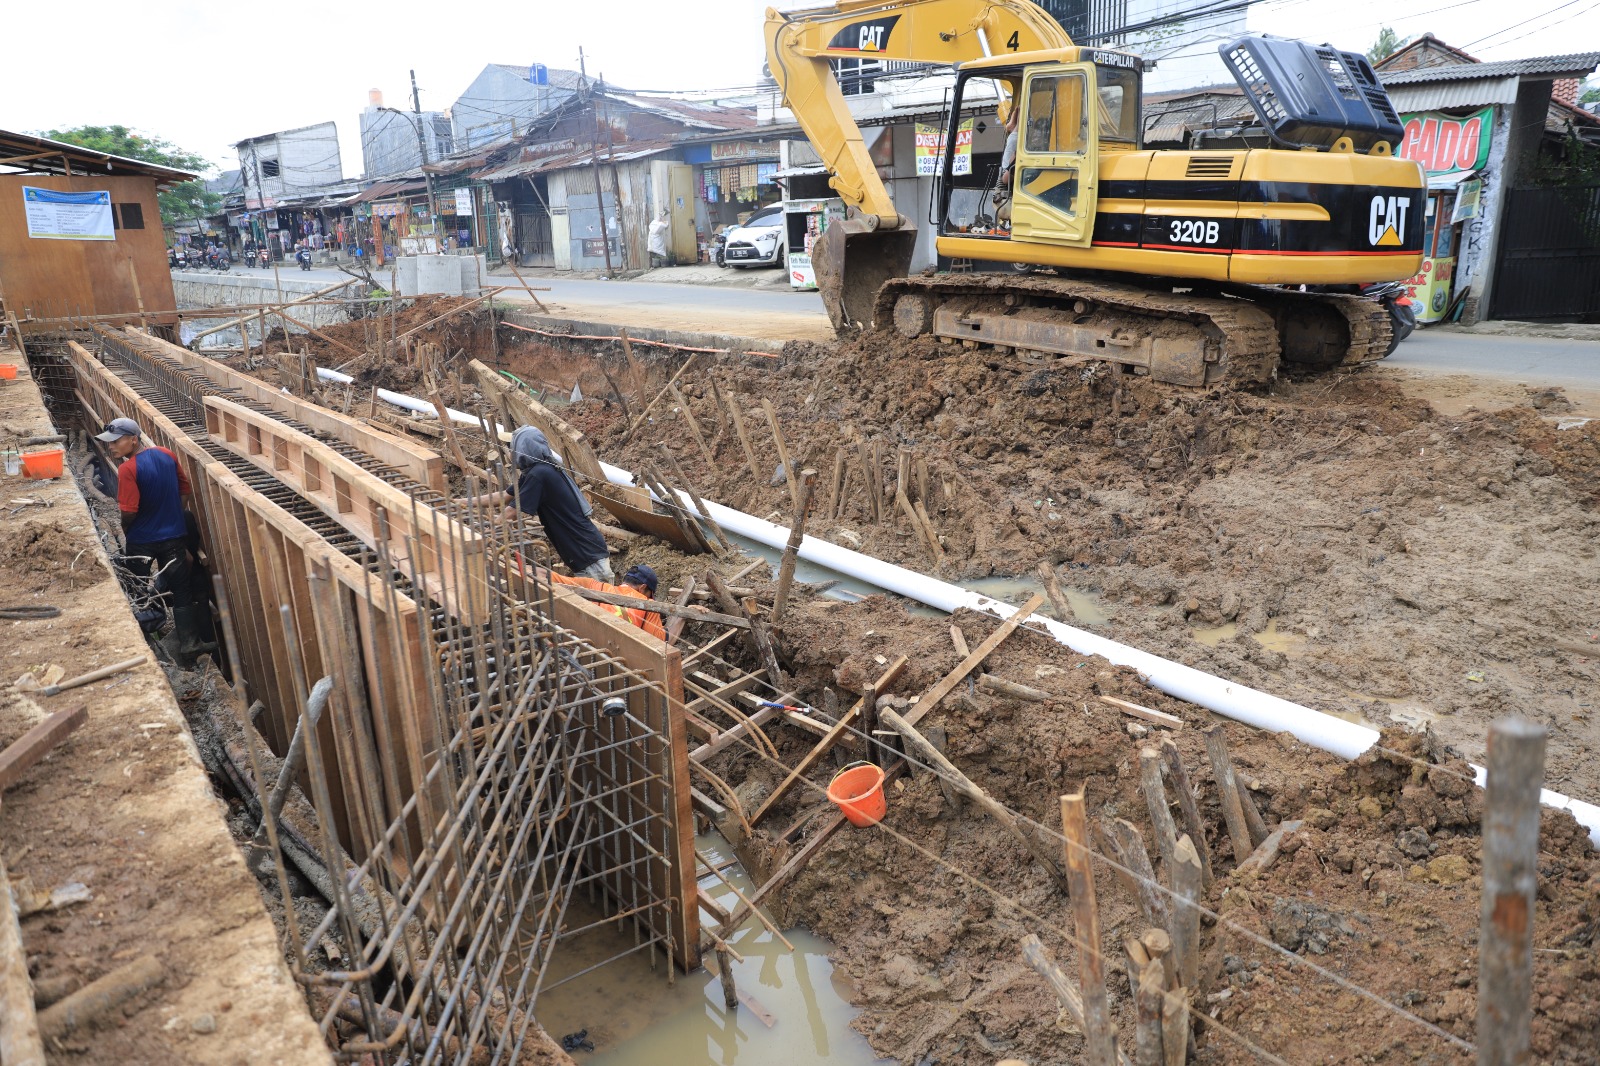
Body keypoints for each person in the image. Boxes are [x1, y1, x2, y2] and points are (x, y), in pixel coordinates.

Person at [96, 417, 204, 654]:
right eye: (109, 442)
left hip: (141, 541)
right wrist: (174, 517)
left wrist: (127, 530)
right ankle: (190, 644)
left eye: (115, 441)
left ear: (133, 440)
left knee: (137, 586)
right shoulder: (167, 454)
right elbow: (184, 489)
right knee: (182, 589)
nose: (111, 446)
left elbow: (129, 511)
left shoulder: (127, 469)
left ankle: (147, 637)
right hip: (173, 538)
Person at [502, 426, 613, 581]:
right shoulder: (539, 470)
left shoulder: (539, 475)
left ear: (522, 448)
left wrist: (488, 526)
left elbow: (512, 512)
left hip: (588, 557)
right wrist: (463, 502)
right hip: (587, 553)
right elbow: (504, 496)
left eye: (511, 448)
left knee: (600, 603)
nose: (509, 453)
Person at [538, 562, 665, 639]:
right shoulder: (648, 605)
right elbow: (662, 644)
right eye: (649, 594)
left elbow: (541, 573)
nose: (648, 598)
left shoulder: (594, 585)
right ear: (643, 588)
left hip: (587, 641)